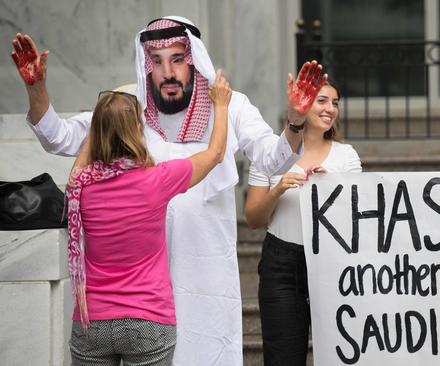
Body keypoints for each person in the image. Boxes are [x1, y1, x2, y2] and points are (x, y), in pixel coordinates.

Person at [11, 16, 326, 366]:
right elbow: (58, 136)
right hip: (137, 296)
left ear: (194, 60)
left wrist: (296, 121)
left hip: (205, 274)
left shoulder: (229, 104)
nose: (168, 72)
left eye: (178, 59)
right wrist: (36, 88)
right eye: (157, 62)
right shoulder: (126, 104)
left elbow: (272, 158)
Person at [66, 73, 230, 364]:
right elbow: (216, 153)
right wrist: (221, 104)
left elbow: (82, 161)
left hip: (92, 322)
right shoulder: (158, 179)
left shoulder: (82, 185)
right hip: (148, 321)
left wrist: (103, 120)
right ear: (138, 130)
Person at [244, 81, 362, 365]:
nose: (330, 109)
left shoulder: (347, 156)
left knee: (340, 356)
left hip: (333, 263)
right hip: (282, 264)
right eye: (322, 101)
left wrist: (331, 188)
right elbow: (253, 218)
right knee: (283, 356)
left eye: (335, 103)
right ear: (303, 105)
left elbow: (358, 220)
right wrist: (278, 188)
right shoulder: (270, 153)